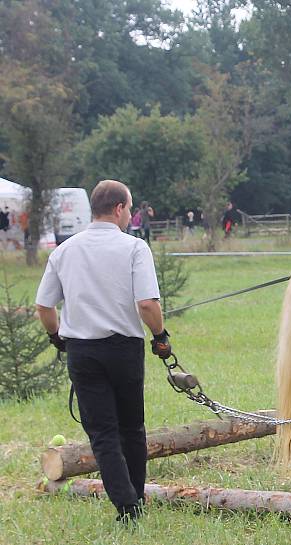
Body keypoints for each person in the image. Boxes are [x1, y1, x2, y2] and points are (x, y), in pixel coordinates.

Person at [35, 180, 173, 525]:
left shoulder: (64, 251)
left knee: (102, 434)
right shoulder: (134, 248)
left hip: (83, 352)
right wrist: (160, 336)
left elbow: (44, 306)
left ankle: (126, 505)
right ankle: (135, 496)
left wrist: (57, 336)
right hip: (124, 348)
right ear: (119, 208)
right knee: (132, 428)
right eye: (129, 208)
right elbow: (146, 304)